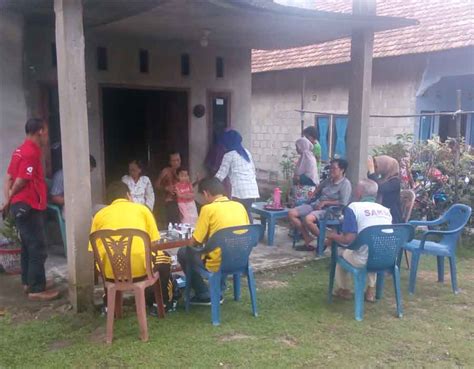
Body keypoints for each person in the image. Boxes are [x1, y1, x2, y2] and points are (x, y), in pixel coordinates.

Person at [89, 181, 174, 311]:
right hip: (140, 270)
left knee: (105, 260)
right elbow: (154, 243)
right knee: (165, 258)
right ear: (128, 195)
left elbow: (94, 250)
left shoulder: (99, 216)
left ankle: (109, 306)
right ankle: (160, 303)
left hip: (110, 273)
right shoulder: (142, 210)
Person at [1, 118, 59, 301]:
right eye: (47, 132)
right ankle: (36, 289)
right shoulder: (31, 152)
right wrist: (9, 200)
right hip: (29, 205)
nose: (47, 137)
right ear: (40, 131)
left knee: (28, 245)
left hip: (21, 205)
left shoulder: (19, 150)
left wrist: (8, 200)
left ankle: (28, 282)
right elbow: (21, 180)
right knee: (38, 247)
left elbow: (8, 178)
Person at [177, 178, 249, 305]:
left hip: (218, 261)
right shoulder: (240, 206)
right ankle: (220, 287)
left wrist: (189, 244)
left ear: (206, 193)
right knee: (225, 247)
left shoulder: (208, 209)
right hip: (240, 258)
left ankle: (203, 293)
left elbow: (195, 241)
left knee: (183, 252)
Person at [325, 179, 393, 302]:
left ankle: (344, 289)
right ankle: (371, 290)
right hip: (386, 258)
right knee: (372, 250)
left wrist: (332, 236)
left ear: (360, 192)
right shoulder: (386, 210)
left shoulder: (354, 207)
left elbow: (348, 239)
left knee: (340, 252)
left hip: (362, 260)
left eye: (356, 188)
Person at [288, 158, 352, 252]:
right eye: (330, 168)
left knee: (308, 219)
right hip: (316, 204)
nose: (331, 170)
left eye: (334, 168)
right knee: (291, 213)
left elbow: (343, 203)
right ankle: (308, 237)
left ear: (342, 170)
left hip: (331, 211)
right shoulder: (329, 180)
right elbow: (319, 187)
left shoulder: (345, 184)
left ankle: (323, 240)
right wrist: (312, 196)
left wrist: (326, 202)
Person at [215, 130, 259, 221]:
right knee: (246, 212)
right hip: (252, 190)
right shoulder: (246, 152)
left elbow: (220, 175)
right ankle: (250, 233)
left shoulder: (229, 155)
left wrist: (209, 183)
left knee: (238, 214)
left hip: (240, 191)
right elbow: (253, 171)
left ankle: (241, 234)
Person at [367, 155, 402, 224]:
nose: (376, 169)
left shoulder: (395, 181)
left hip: (392, 217)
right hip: (379, 213)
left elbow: (380, 188)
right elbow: (371, 183)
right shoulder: (382, 179)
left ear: (386, 167)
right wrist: (370, 171)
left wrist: (372, 173)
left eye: (377, 167)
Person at [155, 151, 181, 225]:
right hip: (169, 203)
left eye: (178, 160)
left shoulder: (181, 172)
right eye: (173, 160)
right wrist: (166, 188)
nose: (176, 162)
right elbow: (156, 185)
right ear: (170, 162)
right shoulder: (166, 171)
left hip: (180, 203)